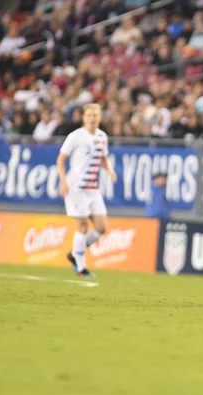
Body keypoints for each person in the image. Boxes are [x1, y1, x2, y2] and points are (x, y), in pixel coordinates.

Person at [56, 104, 117, 278]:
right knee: (82, 226)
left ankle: (75, 253)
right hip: (76, 188)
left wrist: (110, 170)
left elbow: (103, 157)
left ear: (100, 117)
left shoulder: (102, 137)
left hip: (93, 189)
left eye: (95, 115)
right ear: (83, 117)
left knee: (101, 227)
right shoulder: (75, 137)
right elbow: (60, 160)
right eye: (89, 115)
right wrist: (63, 182)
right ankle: (81, 266)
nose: (92, 118)